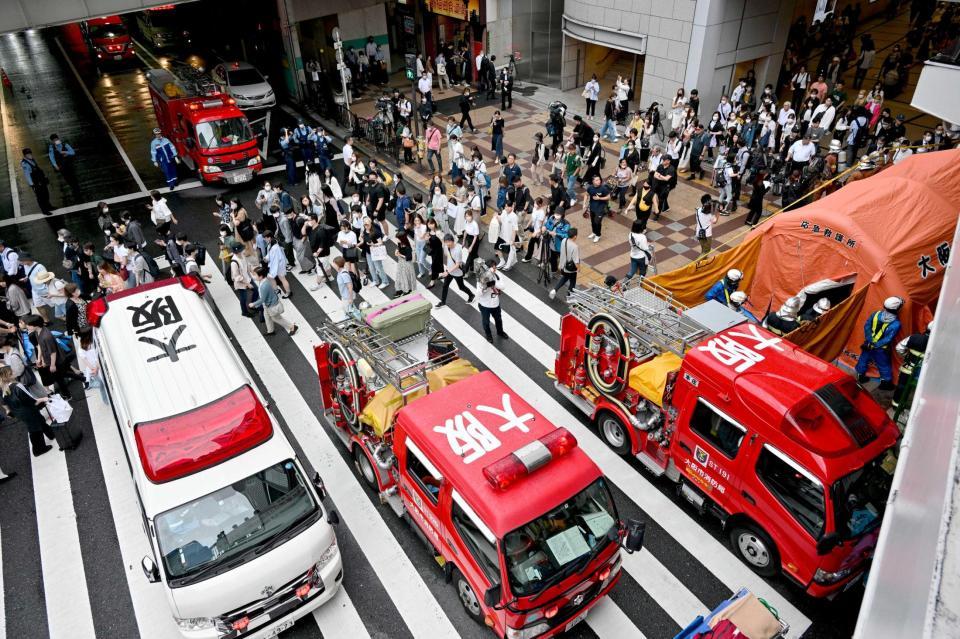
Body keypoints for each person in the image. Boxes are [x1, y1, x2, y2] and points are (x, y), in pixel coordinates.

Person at [1, 365, 55, 457]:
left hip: (20, 413)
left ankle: (51, 434)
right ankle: (38, 449)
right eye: (12, 372)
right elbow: (32, 400)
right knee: (35, 429)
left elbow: (6, 403)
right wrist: (44, 399)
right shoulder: (18, 386)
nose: (14, 372)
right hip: (29, 411)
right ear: (9, 375)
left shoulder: (4, 389)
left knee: (40, 420)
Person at [24, 314, 78, 401]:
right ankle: (81, 378)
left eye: (28, 325)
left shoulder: (46, 336)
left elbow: (53, 352)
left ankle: (67, 395)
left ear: (35, 325)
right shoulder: (38, 332)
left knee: (60, 378)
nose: (26, 326)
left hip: (56, 361)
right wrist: (39, 359)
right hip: (51, 360)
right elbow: (40, 346)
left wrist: (52, 365)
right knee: (61, 375)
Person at [855, 296, 903, 389]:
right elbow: (888, 338)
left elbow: (867, 327)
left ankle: (860, 376)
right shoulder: (896, 324)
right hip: (880, 348)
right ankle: (885, 383)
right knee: (883, 365)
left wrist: (870, 341)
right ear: (896, 309)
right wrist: (876, 345)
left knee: (863, 359)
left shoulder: (876, 314)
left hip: (868, 344)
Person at [248, 267, 298, 336]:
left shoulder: (264, 286)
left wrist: (253, 304)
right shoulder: (264, 280)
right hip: (268, 304)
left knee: (276, 318)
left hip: (271, 305)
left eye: (255, 275)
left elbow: (262, 299)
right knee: (267, 316)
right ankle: (270, 331)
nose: (254, 277)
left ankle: (292, 327)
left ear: (261, 276)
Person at [892, 323, 931, 409]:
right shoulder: (935, 344)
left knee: (901, 386)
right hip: (922, 372)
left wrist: (906, 356)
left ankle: (896, 405)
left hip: (907, 368)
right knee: (917, 390)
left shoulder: (914, 337)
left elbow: (899, 348)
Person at [436, 234, 475, 307]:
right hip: (449, 270)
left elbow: (457, 265)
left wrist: (447, 272)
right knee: (445, 286)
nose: (447, 244)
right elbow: (446, 255)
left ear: (452, 241)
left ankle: (471, 295)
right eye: (446, 242)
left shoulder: (457, 250)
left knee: (461, 287)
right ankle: (443, 302)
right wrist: (443, 244)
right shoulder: (447, 246)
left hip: (457, 272)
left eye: (448, 242)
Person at [477, 259, 509, 343]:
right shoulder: (481, 278)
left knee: (498, 319)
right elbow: (479, 294)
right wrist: (484, 287)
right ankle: (489, 335)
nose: (494, 270)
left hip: (495, 304)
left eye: (495, 268)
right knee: (486, 322)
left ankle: (500, 332)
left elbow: (503, 286)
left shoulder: (497, 275)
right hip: (484, 305)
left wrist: (494, 283)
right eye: (493, 268)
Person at [549, 227, 579, 300]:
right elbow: (576, 260)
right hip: (570, 268)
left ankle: (554, 290)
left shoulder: (564, 240)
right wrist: (578, 268)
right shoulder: (575, 247)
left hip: (563, 265)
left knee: (565, 278)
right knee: (572, 282)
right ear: (575, 236)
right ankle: (570, 296)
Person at [20, 148, 53, 214]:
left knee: (46, 194)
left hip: (41, 180)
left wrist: (44, 177)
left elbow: (38, 169)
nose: (29, 155)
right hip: (35, 182)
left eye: (30, 153)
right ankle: (44, 210)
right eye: (27, 154)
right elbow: (27, 175)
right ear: (25, 155)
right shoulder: (25, 163)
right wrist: (32, 185)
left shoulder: (32, 159)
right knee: (40, 197)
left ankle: (49, 206)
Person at [583, 174, 610, 244]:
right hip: (592, 207)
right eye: (596, 180)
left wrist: (599, 198)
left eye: (599, 180)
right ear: (593, 181)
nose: (599, 181)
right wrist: (584, 203)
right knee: (592, 221)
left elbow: (608, 197)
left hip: (601, 208)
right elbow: (586, 194)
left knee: (597, 222)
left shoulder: (603, 188)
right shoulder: (590, 187)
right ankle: (594, 232)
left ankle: (598, 235)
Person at [264, 231, 291, 297]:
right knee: (279, 278)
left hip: (278, 265)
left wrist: (273, 271)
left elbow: (275, 260)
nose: (264, 239)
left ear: (269, 237)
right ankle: (278, 290)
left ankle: (288, 292)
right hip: (280, 264)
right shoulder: (274, 242)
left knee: (282, 279)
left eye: (265, 238)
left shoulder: (274, 247)